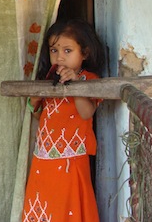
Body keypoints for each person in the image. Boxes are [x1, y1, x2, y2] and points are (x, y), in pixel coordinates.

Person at [22, 19, 105, 222]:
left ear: (84, 53)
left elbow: (86, 113)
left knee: (67, 207)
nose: (59, 57)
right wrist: (35, 98)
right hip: (43, 157)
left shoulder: (90, 79)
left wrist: (75, 84)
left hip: (71, 159)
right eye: (54, 50)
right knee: (44, 206)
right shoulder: (50, 79)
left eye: (67, 51)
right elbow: (38, 114)